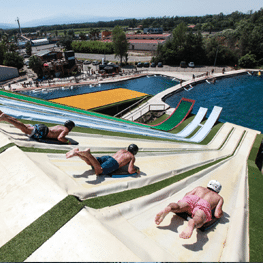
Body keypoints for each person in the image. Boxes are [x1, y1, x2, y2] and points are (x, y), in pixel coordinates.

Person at [155, 180, 224, 239]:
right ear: (218, 191)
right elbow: (217, 214)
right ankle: (193, 222)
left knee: (179, 206)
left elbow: (186, 195)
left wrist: (185, 203)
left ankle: (169, 208)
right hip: (204, 204)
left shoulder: (199, 188)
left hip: (192, 199)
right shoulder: (219, 197)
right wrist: (221, 213)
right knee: (199, 216)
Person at [0, 110, 75, 144]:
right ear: (70, 127)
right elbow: (60, 138)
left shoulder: (61, 126)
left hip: (42, 128)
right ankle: (5, 118)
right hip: (42, 131)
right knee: (24, 129)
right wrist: (67, 141)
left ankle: (5, 115)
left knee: (22, 125)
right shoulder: (66, 130)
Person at [66, 144, 140, 176]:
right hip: (114, 162)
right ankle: (88, 154)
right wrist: (136, 170)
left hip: (108, 157)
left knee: (90, 163)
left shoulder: (122, 150)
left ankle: (76, 153)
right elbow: (130, 170)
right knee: (99, 171)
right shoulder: (132, 157)